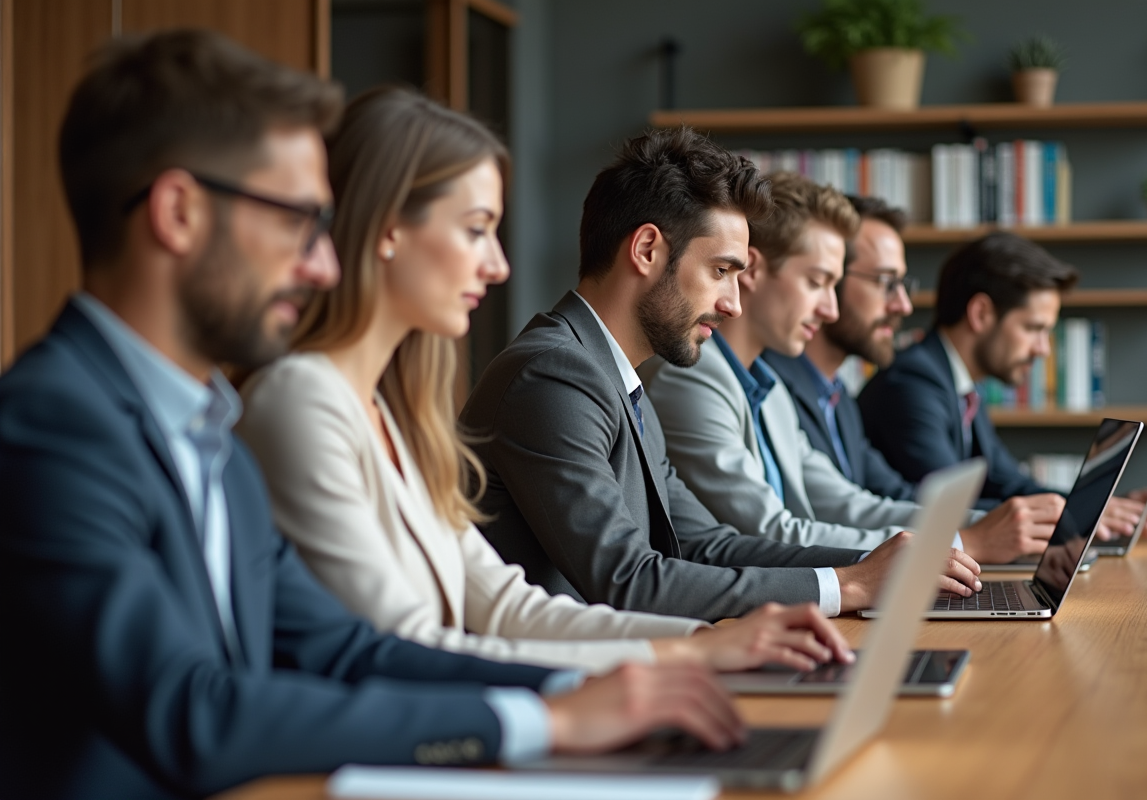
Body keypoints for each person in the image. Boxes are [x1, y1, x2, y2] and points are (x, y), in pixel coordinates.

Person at [0, 32, 754, 800]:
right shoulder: (52, 426)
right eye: (296, 220)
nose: (323, 262)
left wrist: (592, 690)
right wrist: (545, 720)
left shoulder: (210, 434)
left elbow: (349, 651)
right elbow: (195, 710)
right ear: (179, 213)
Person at [237, 87, 851, 676]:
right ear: (390, 230)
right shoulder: (312, 400)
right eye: (476, 229)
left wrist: (704, 644)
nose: (498, 265)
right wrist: (682, 657)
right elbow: (408, 647)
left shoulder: (400, 416)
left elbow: (511, 608)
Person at [459, 128, 980, 622]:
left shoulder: (616, 378)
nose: (733, 303)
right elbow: (626, 580)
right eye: (721, 271)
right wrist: (849, 586)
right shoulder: (554, 374)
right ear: (646, 250)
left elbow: (706, 545)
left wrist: (875, 564)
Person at [643, 174, 1041, 568]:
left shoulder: (771, 390)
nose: (830, 310)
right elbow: (771, 533)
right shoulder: (692, 377)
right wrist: (961, 542)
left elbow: (851, 505)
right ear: (753, 271)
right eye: (816, 282)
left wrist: (988, 528)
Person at [759, 194, 1065, 563]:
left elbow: (880, 500)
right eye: (885, 282)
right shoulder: (773, 387)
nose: (903, 305)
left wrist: (1041, 519)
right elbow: (784, 532)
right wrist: (970, 539)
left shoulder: (839, 398)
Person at [856, 231, 1147, 538]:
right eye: (1033, 328)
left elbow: (1008, 482)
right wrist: (1073, 514)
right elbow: (948, 507)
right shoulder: (911, 383)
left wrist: (1093, 506)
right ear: (981, 314)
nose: (1043, 349)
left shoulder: (961, 387)